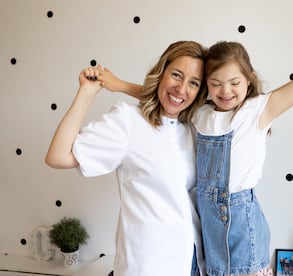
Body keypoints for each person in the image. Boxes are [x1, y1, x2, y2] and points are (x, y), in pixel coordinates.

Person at [98, 31, 293, 276]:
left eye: (234, 83)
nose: (225, 91)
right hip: (208, 221)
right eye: (215, 84)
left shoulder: (258, 110)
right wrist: (119, 85)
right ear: (206, 85)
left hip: (240, 222)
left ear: (249, 80)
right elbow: (167, 98)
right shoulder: (201, 113)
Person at [44, 41, 209, 276]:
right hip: (147, 266)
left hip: (193, 263)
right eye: (176, 75)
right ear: (161, 73)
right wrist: (86, 93)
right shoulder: (128, 122)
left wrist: (120, 84)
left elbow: (178, 98)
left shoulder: (194, 127)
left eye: (194, 83)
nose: (182, 89)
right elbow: (57, 157)